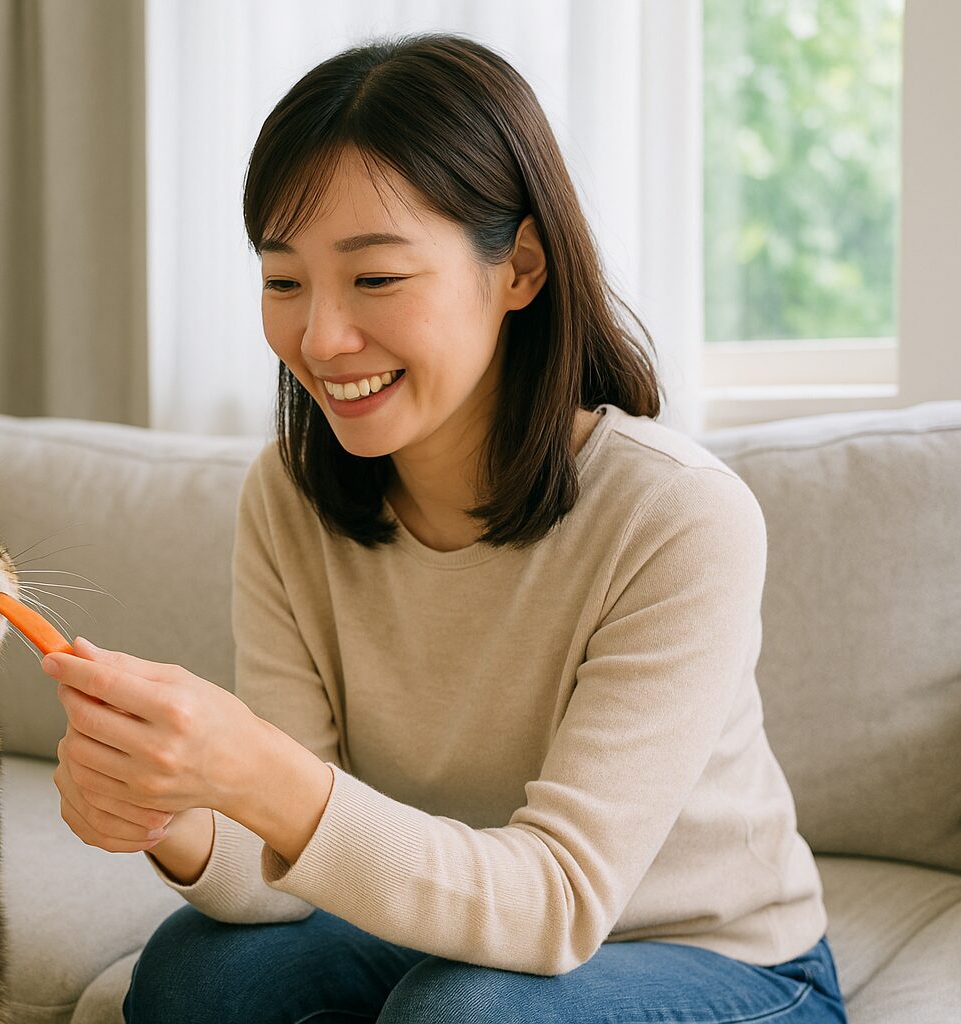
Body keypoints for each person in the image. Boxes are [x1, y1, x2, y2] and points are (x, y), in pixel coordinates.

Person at [41, 32, 848, 1023]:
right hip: (435, 917)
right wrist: (171, 810)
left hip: (714, 957)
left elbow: (556, 904)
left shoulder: (679, 515)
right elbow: (286, 864)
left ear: (520, 268)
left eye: (375, 279)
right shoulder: (289, 497)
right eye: (284, 281)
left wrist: (257, 769)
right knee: (195, 975)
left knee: (463, 1014)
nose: (322, 338)